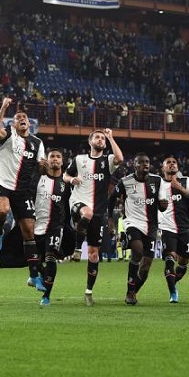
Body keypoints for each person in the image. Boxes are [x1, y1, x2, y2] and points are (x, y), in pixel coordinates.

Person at [0, 98, 48, 291]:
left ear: (29, 123)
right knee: (2, 210)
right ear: (14, 124)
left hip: (23, 191)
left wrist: (44, 167)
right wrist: (3, 108)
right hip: (5, 185)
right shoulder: (10, 136)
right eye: (18, 118)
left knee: (29, 232)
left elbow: (41, 167)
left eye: (24, 117)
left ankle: (33, 276)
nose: (22, 119)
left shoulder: (37, 143)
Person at [64, 128, 124, 306]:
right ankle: (76, 249)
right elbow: (66, 174)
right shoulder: (79, 159)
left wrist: (111, 137)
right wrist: (70, 180)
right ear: (90, 141)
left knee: (93, 255)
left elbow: (120, 159)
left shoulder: (108, 161)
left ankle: (88, 291)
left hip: (99, 212)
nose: (100, 139)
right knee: (87, 212)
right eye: (97, 137)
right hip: (78, 202)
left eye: (102, 138)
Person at [110, 153, 167, 305]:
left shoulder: (157, 180)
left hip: (151, 226)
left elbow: (163, 203)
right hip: (132, 222)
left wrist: (163, 205)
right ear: (134, 165)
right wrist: (110, 220)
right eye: (141, 162)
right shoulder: (125, 181)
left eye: (147, 162)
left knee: (146, 266)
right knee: (137, 251)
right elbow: (111, 199)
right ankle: (129, 291)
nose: (145, 164)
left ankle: (133, 291)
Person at [159, 154, 189, 303]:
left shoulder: (185, 181)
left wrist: (181, 189)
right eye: (168, 162)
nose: (171, 164)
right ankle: (173, 293)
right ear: (163, 167)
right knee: (170, 258)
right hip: (167, 228)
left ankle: (173, 282)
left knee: (183, 261)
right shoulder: (157, 184)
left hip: (184, 228)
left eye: (174, 162)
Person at [33, 148, 70, 306]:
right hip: (36, 225)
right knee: (34, 260)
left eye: (58, 157)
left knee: (50, 257)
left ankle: (46, 296)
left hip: (55, 227)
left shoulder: (66, 183)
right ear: (47, 161)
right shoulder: (37, 179)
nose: (55, 159)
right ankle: (39, 276)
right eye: (52, 156)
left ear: (62, 162)